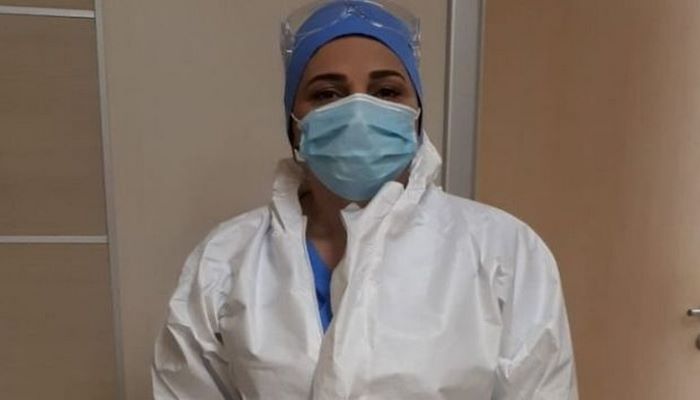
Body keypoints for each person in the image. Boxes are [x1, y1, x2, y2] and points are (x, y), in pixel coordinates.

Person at [152, 1, 578, 399]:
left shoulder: (503, 253)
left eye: (387, 92)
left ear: (416, 116)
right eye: (327, 94)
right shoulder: (225, 262)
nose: (359, 109)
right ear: (295, 123)